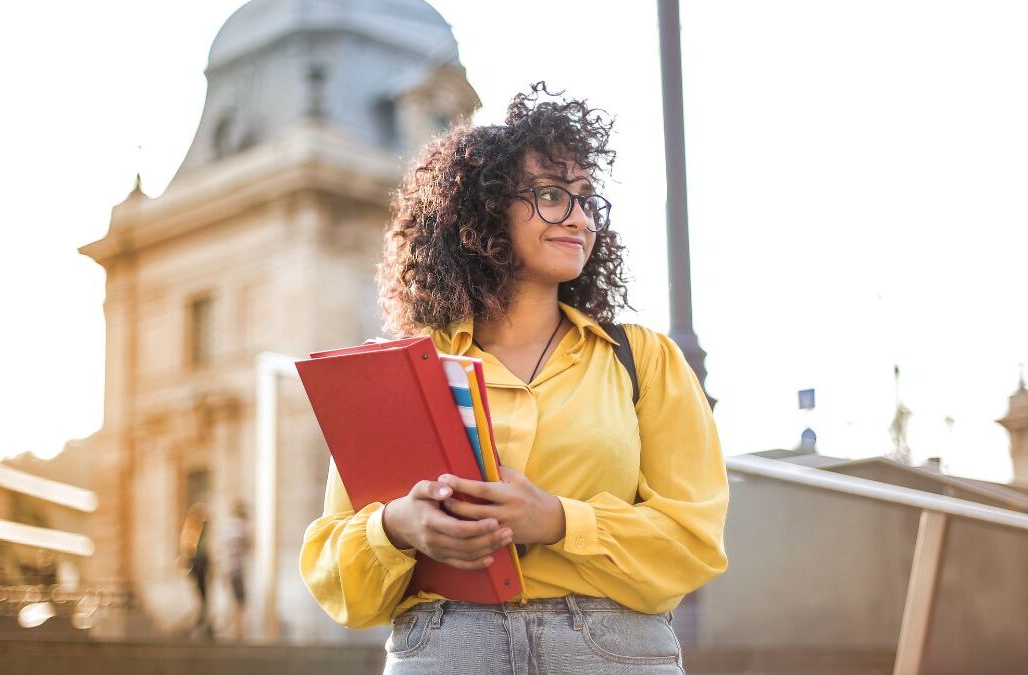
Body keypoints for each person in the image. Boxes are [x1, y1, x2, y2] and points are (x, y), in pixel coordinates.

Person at [300, 83, 729, 674]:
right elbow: (334, 569)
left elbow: (695, 540)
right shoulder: (401, 372)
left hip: (611, 651)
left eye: (586, 199)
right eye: (551, 195)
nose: (578, 217)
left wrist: (556, 519)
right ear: (484, 211)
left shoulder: (643, 360)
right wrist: (398, 526)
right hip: (446, 648)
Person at [179, 502, 212, 639]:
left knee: (203, 597)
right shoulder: (192, 530)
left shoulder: (201, 531)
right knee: (200, 597)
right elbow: (188, 550)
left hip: (201, 565)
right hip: (197, 565)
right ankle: (199, 623)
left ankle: (204, 623)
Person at [223, 500, 252, 641]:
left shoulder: (228, 526)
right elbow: (248, 545)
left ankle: (236, 630)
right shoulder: (239, 527)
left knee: (235, 600)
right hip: (236, 569)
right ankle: (238, 632)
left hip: (228, 568)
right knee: (240, 602)